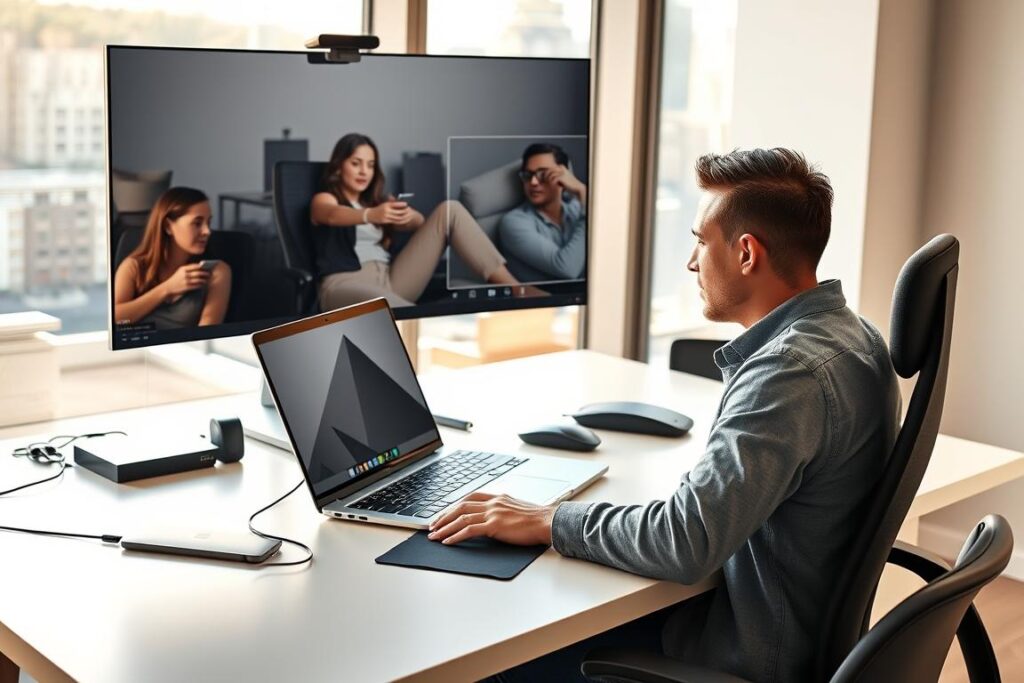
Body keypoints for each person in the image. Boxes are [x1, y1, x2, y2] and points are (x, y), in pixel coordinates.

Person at [426, 148, 902, 682]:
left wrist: (547, 520)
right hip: (783, 629)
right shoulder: (853, 335)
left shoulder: (788, 375)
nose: (692, 261)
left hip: (741, 654)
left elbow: (686, 541)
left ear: (746, 253)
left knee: (490, 653)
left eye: (701, 240)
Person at [311, 133, 524, 310]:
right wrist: (371, 215)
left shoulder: (378, 203)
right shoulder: (326, 198)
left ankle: (518, 289)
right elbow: (330, 214)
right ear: (339, 166)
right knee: (406, 314)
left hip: (391, 279)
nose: (364, 171)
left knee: (450, 210)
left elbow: (422, 224)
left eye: (370, 165)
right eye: (356, 163)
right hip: (344, 285)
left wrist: (407, 217)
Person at [113, 186, 232, 329]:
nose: (207, 231)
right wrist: (167, 288)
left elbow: (206, 334)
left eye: (208, 223)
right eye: (197, 223)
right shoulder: (133, 266)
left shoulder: (217, 272)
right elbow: (116, 319)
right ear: (168, 226)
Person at [497, 142, 587, 282]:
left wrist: (582, 194)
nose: (533, 182)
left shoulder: (577, 208)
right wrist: (584, 193)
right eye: (528, 175)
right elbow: (567, 268)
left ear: (565, 177)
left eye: (543, 174)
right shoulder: (514, 222)